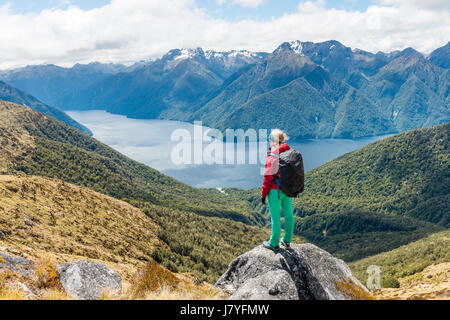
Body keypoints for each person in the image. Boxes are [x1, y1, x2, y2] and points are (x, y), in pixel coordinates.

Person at [261, 129, 294, 250]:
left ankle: (274, 243)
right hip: (288, 190)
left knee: (275, 217)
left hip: (275, 191)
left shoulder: (273, 157)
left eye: (269, 139)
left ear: (272, 141)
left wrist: (263, 195)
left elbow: (267, 178)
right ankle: (286, 240)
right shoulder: (290, 153)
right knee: (288, 214)